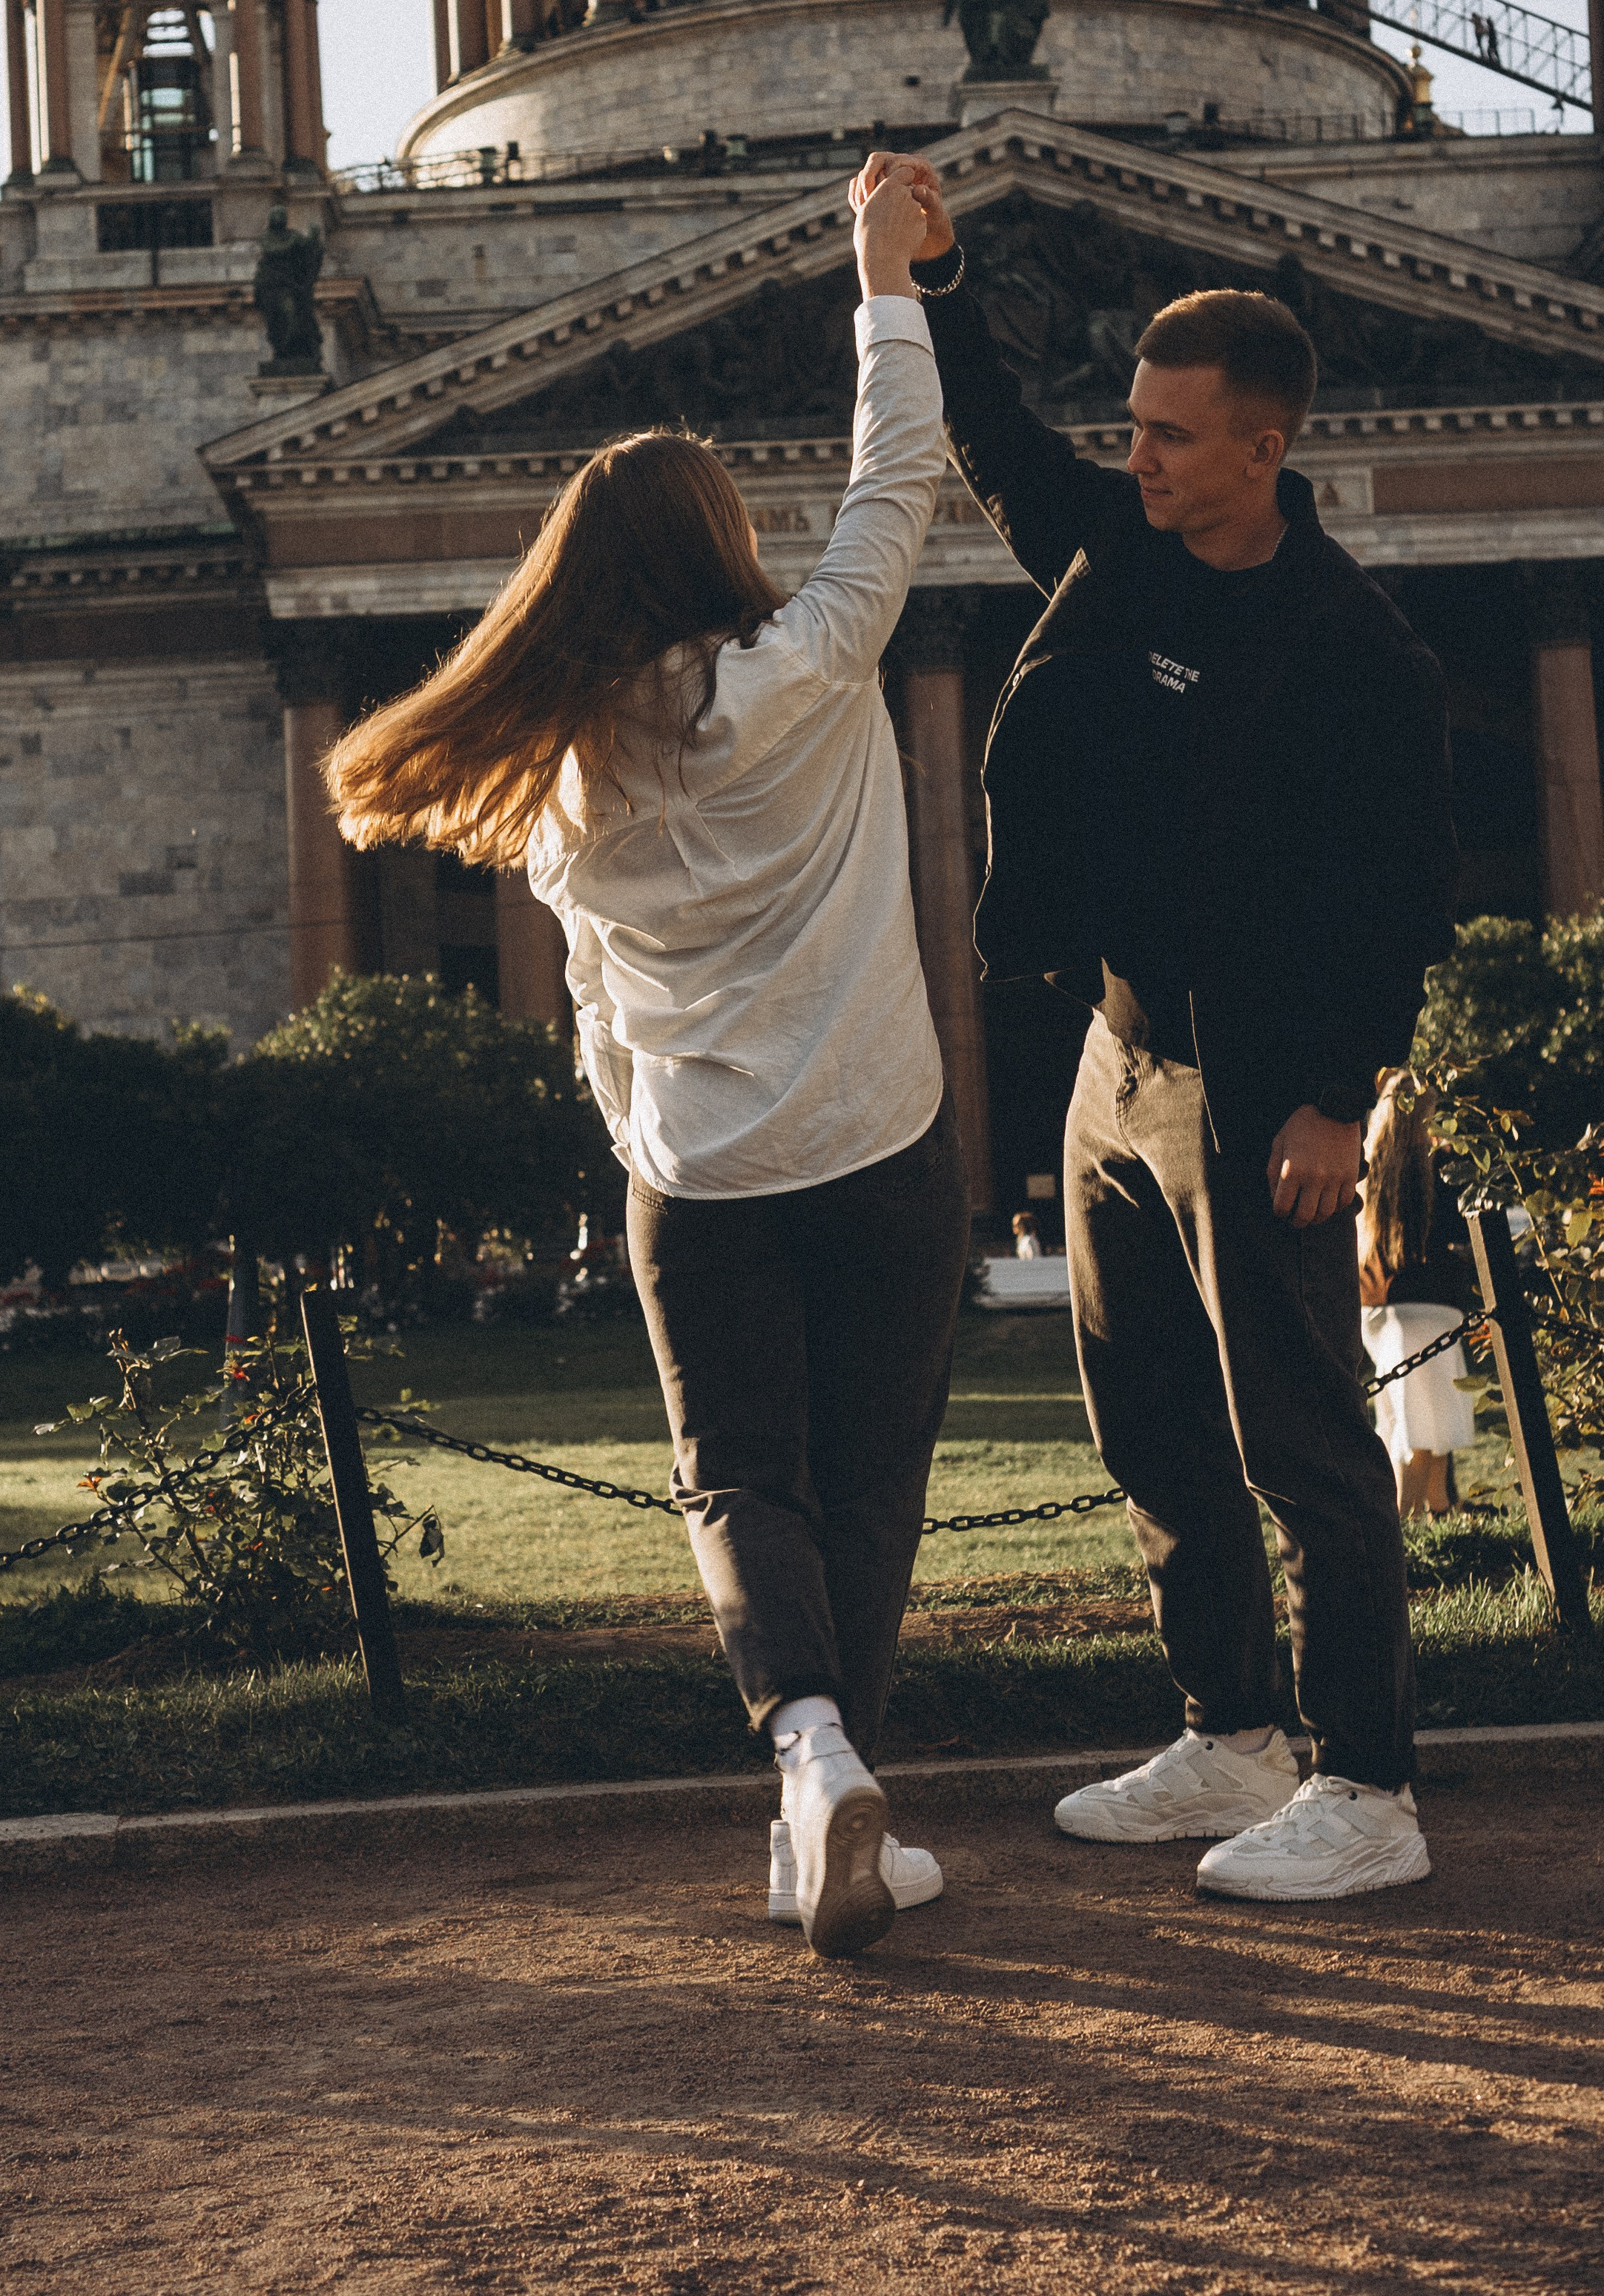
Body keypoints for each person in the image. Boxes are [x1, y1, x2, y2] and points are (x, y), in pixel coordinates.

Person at [326, 167, 971, 1959]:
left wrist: (646, 1134)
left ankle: (809, 1757)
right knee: (866, 1480)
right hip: (882, 1144)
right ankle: (841, 1781)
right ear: (715, 544)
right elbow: (894, 474)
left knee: (737, 1481)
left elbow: (592, 1007)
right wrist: (875, 278)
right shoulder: (818, 668)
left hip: (697, 1176)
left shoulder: (556, 791)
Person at [860, 148, 1459, 1903]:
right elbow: (995, 447)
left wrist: (1336, 1103)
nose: (1134, 452)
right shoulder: (1114, 547)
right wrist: (941, 281)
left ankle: (1366, 1780)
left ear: (1260, 448)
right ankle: (1230, 1733)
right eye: (1130, 422)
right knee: (1149, 1429)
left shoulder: (1352, 649)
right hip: (1114, 1060)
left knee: (1302, 1443)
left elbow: (1396, 893)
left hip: (1257, 1085)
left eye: (1169, 434)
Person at [1358, 1073, 1476, 1517]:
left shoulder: (1366, 1166)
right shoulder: (1440, 1166)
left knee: (1409, 1420)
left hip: (1376, 1305)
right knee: (1422, 1433)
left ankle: (1440, 1509)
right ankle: (1401, 1531)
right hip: (1429, 1305)